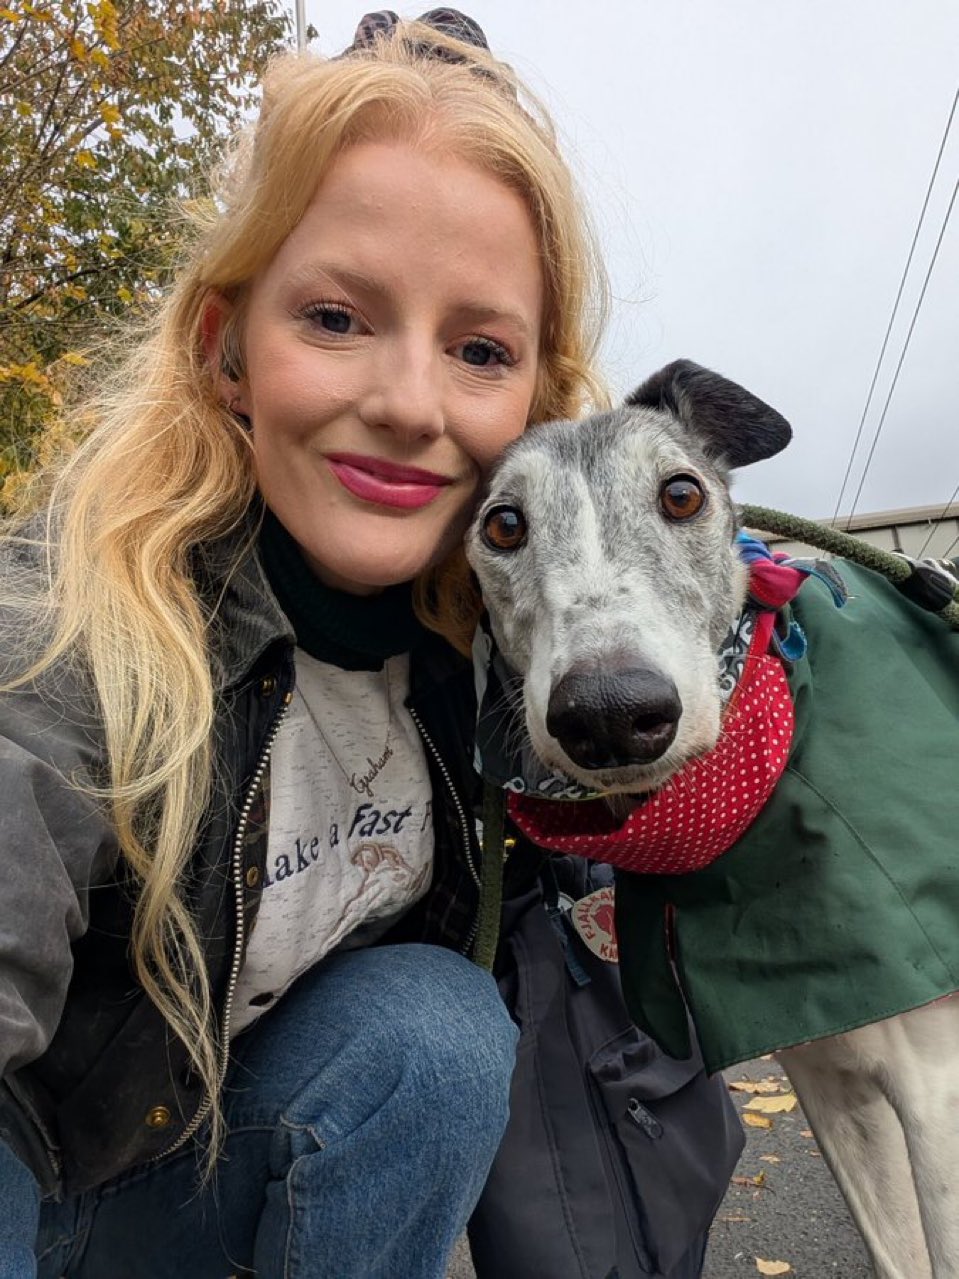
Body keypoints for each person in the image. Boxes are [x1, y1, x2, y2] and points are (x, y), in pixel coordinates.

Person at [0, 11, 726, 1278]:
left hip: (215, 1169)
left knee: (434, 1031)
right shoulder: (66, 617)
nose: (405, 403)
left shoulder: (480, 646)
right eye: (336, 318)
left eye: (479, 348)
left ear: (532, 402)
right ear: (228, 350)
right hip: (47, 1183)